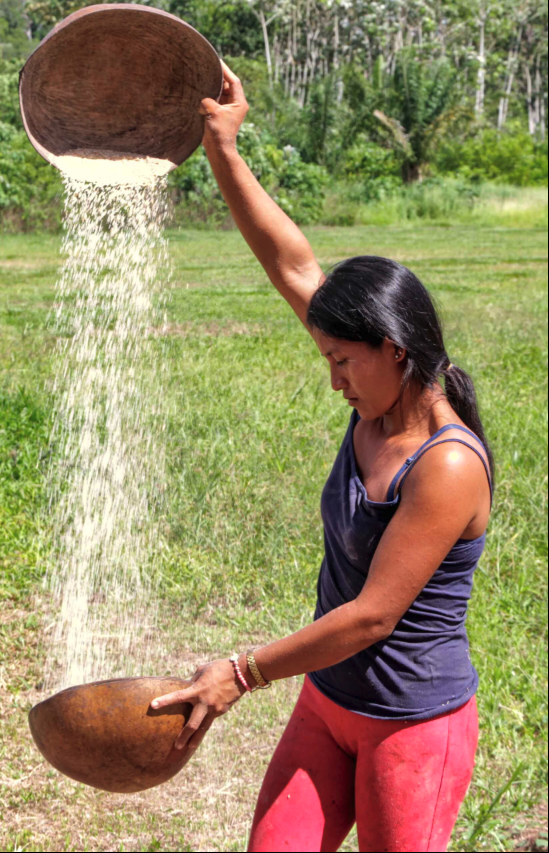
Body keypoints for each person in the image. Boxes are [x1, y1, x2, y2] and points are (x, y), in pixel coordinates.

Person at [151, 63, 493, 853]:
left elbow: (373, 615)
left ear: (394, 350)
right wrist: (221, 146)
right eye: (325, 357)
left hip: (410, 723)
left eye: (342, 361)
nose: (332, 377)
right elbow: (291, 262)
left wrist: (239, 673)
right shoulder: (374, 385)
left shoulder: (444, 465)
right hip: (328, 705)